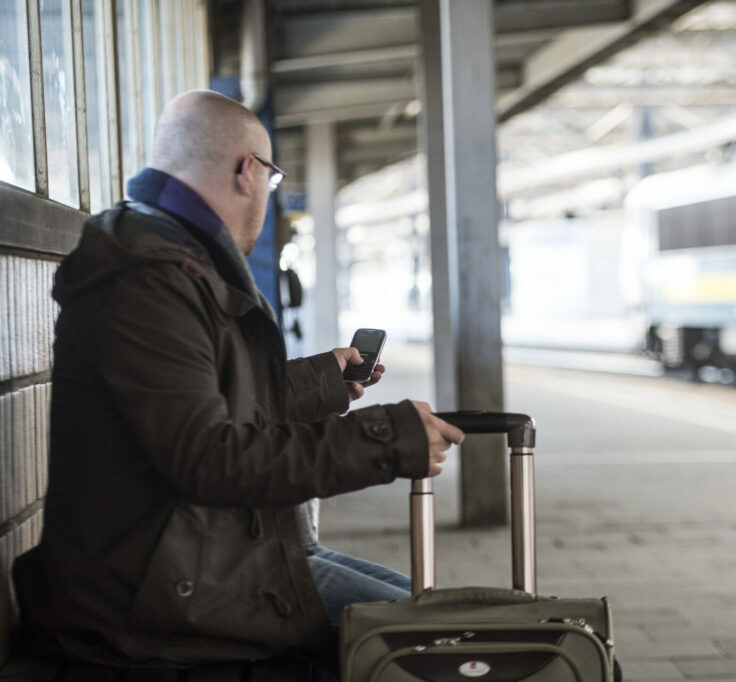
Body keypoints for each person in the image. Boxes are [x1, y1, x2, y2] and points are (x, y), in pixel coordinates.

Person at [23, 89, 464, 670]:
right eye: (272, 179)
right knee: (445, 645)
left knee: (440, 613)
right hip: (154, 594)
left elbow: (205, 403)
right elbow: (209, 456)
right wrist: (390, 438)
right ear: (246, 171)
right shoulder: (150, 281)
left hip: (195, 559)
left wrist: (320, 381)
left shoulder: (173, 262)